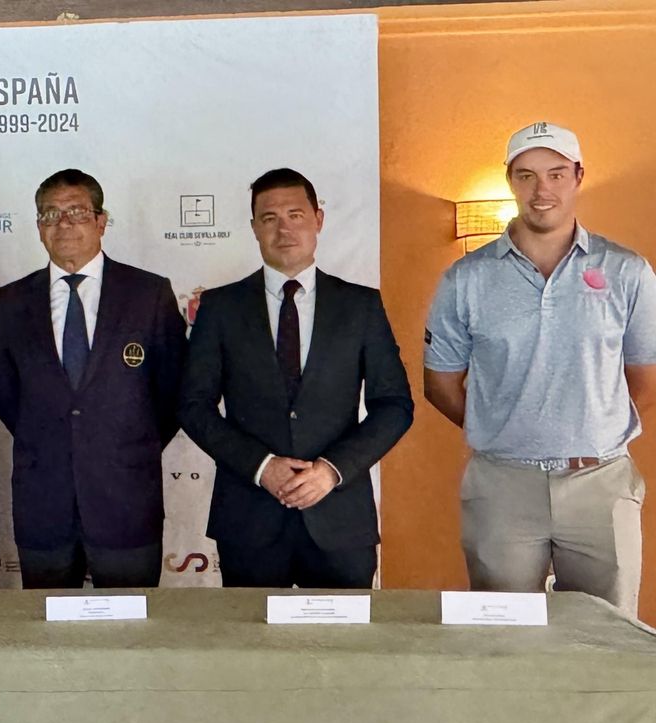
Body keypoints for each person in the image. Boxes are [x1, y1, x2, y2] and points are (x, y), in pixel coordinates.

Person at [424, 122, 656, 614]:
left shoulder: (627, 271)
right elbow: (440, 383)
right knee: (502, 639)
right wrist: (506, 427)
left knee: (606, 638)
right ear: (509, 181)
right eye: (526, 175)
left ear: (578, 176)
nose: (541, 190)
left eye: (555, 174)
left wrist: (588, 428)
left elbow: (645, 379)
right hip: (502, 486)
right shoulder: (466, 278)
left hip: (600, 484)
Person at [180, 169, 412, 588]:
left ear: (318, 219)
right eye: (269, 218)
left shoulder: (360, 306)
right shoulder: (219, 307)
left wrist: (332, 469)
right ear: (253, 228)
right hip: (249, 518)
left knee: (344, 650)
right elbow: (193, 407)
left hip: (339, 519)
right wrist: (261, 466)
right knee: (252, 650)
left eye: (295, 214)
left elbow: (394, 406)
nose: (283, 228)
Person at [0, 168, 186, 589]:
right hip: (44, 500)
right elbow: (7, 396)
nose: (63, 224)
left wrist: (124, 447)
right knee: (47, 641)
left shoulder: (148, 294)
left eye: (76, 211)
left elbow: (172, 395)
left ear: (101, 220)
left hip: (126, 499)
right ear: (38, 226)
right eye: (50, 214)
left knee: (129, 636)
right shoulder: (12, 301)